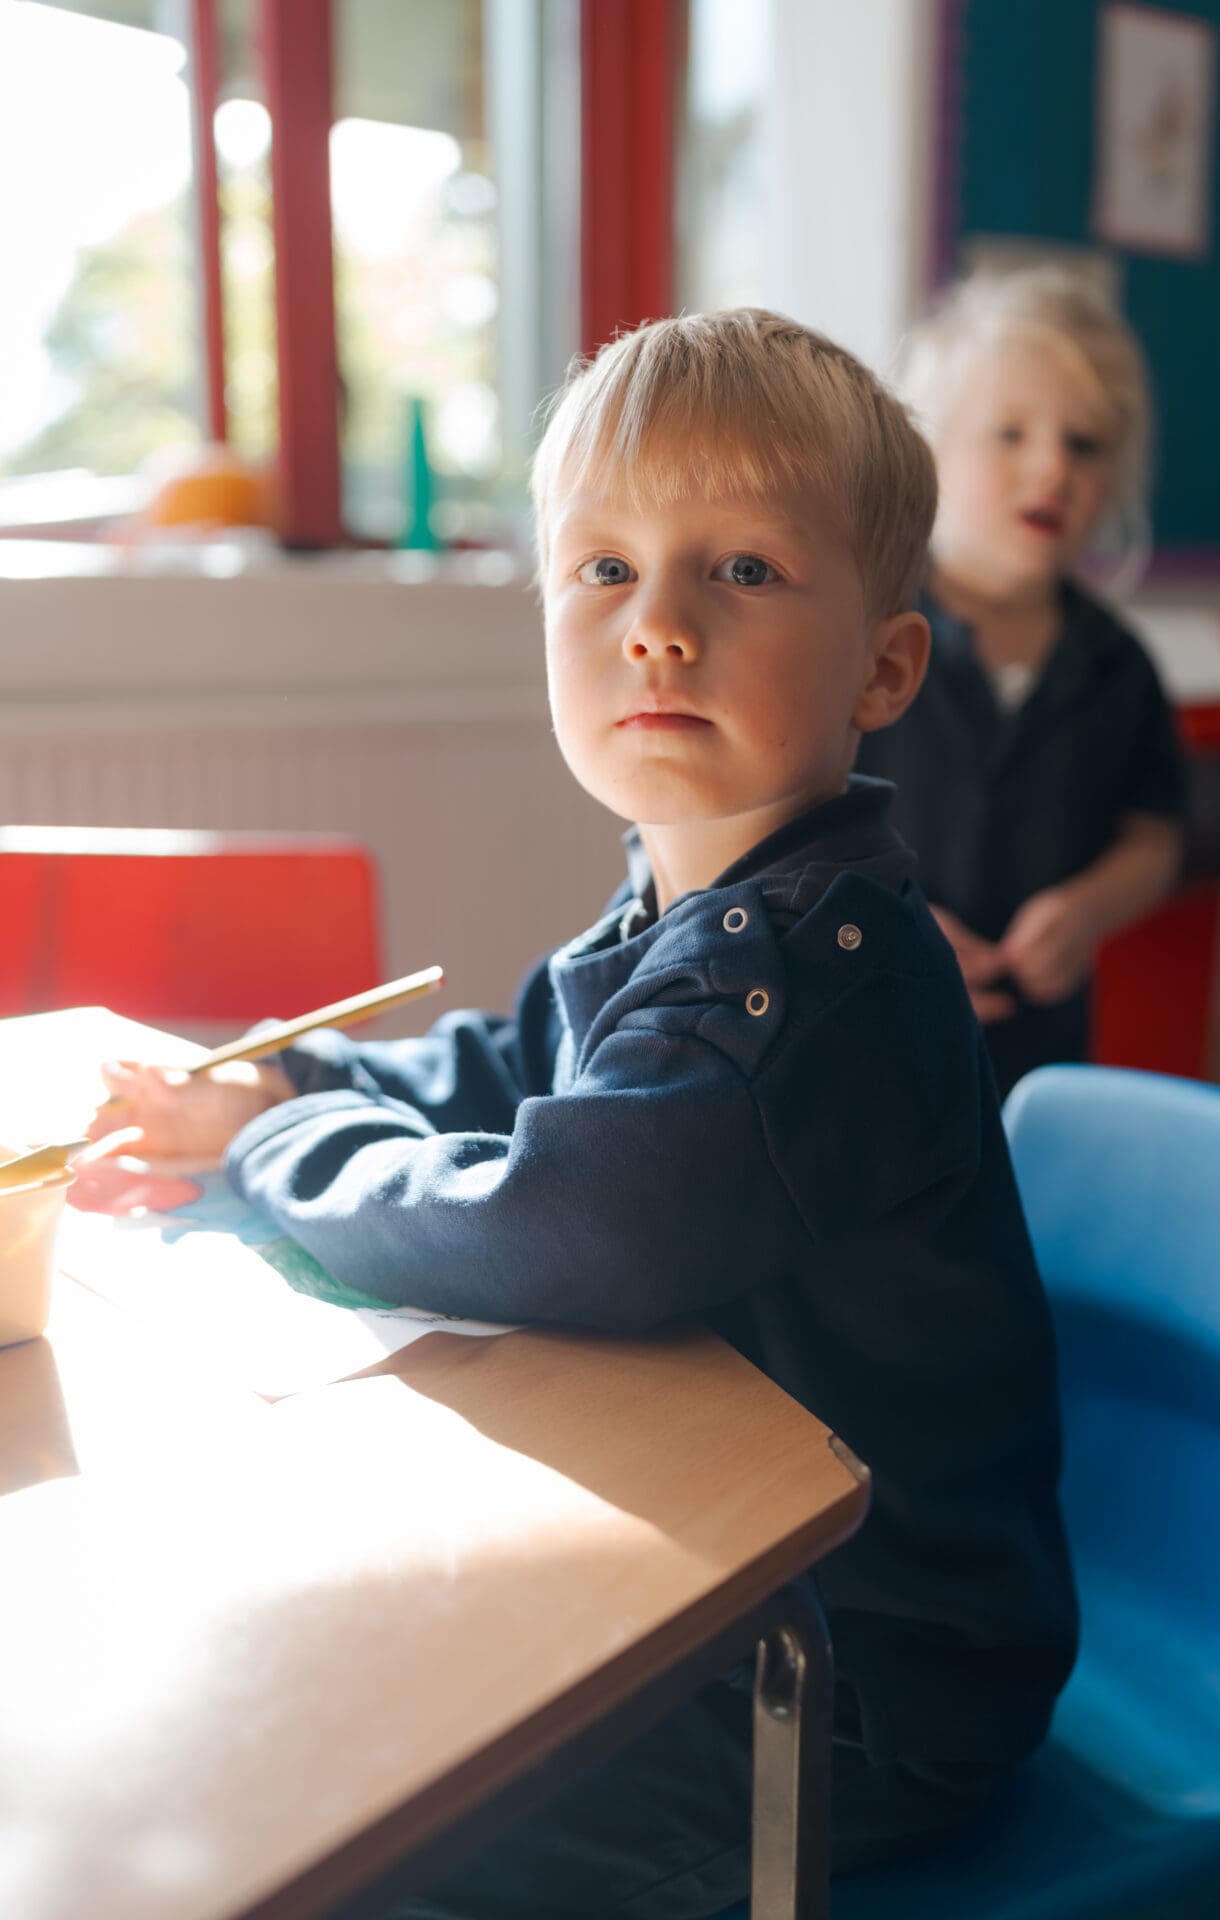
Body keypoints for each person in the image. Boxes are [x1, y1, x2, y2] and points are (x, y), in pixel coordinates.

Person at [87, 310, 1077, 1919]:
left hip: (855, 1685)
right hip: (722, 1595)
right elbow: (518, 1058)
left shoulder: (812, 976)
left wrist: (277, 1158)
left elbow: (574, 1217)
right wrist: (304, 1080)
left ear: (885, 667)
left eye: (741, 571)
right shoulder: (697, 905)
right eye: (605, 571)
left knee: (349, 1833)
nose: (659, 629)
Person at [858, 268, 1186, 1097]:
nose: (1052, 468)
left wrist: (1089, 908)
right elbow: (787, 808)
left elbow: (1154, 835)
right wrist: (881, 914)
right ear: (930, 449)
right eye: (1011, 434)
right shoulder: (862, 633)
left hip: (1036, 1048)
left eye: (1085, 444)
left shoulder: (1120, 664)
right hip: (863, 1016)